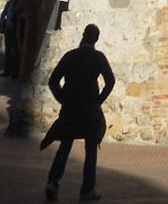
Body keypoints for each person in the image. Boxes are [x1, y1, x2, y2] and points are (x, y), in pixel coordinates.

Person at [41, 23, 115, 202]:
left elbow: (53, 81)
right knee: (91, 148)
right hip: (89, 107)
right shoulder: (98, 57)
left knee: (65, 145)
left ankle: (53, 182)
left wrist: (62, 98)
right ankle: (87, 188)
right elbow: (110, 81)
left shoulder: (70, 56)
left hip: (70, 106)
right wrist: (99, 101)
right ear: (96, 38)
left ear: (83, 35)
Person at [0, 0, 26, 82]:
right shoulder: (10, 3)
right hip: (9, 28)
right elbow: (4, 14)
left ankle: (16, 71)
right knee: (8, 50)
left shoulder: (22, 3)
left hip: (18, 29)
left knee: (17, 50)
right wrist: (2, 25)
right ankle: (7, 70)